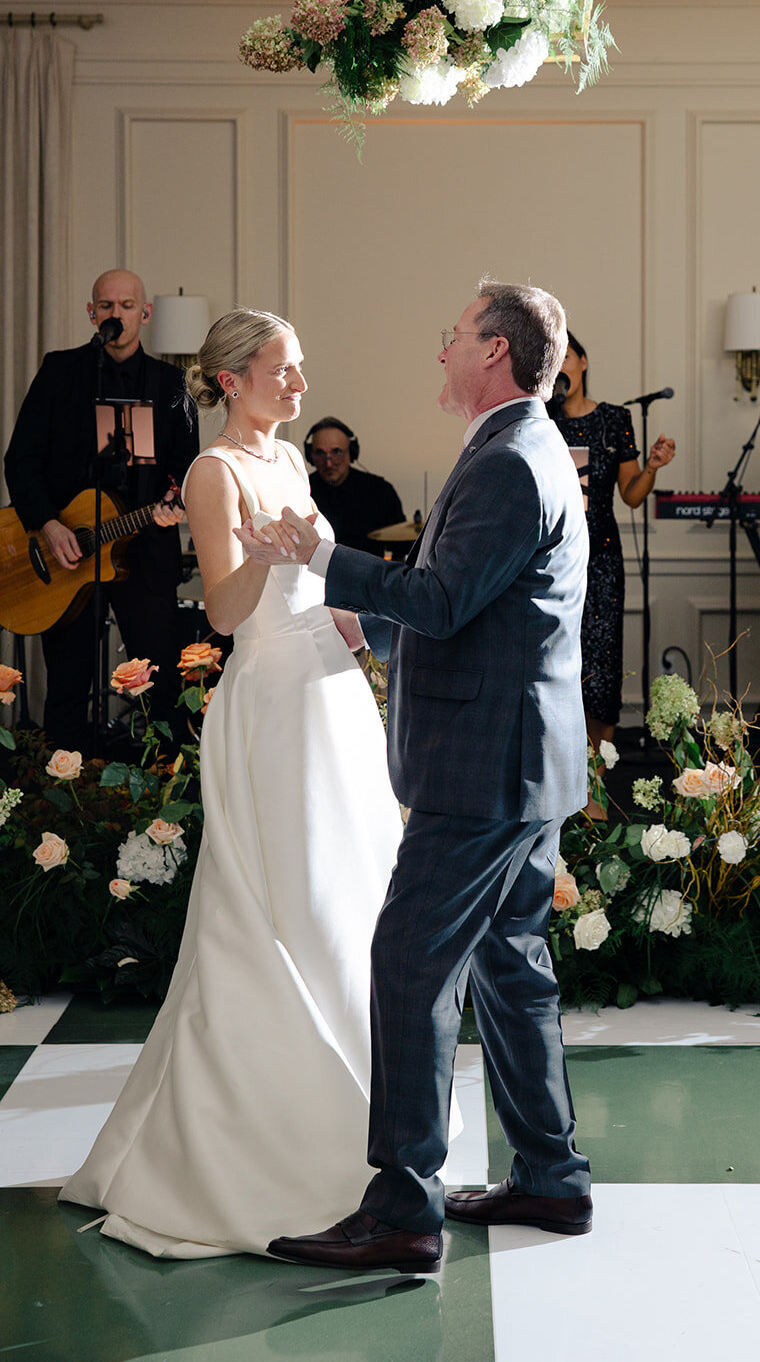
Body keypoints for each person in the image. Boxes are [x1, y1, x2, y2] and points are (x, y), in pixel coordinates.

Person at [239, 279, 593, 1274]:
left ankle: (402, 1206)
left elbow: (441, 601)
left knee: (408, 963)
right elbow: (476, 601)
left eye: (452, 336)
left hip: (483, 767)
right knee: (511, 965)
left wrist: (323, 554)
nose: (441, 350)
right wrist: (359, 620)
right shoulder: (518, 448)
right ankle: (551, 1177)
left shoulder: (511, 460)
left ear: (493, 351)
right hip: (520, 756)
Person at [59, 309, 402, 1257]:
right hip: (272, 703)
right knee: (279, 903)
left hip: (332, 698)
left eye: (300, 370)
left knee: (346, 898)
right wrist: (267, 550)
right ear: (235, 378)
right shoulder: (214, 475)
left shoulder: (291, 465)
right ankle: (260, 1143)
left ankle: (365, 1122)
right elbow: (221, 607)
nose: (300, 386)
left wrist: (355, 622)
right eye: (284, 371)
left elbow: (320, 581)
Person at [3, 269, 199, 748]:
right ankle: (63, 800)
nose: (116, 315)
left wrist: (173, 500)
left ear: (144, 314)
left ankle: (162, 797)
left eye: (127, 306)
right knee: (68, 687)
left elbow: (186, 467)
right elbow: (21, 459)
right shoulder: (60, 372)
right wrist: (48, 524)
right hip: (65, 558)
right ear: (92, 314)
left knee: (159, 683)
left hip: (145, 554)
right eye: (106, 306)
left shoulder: (172, 383)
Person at [553, 333, 675, 766]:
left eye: (565, 354)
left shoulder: (613, 419)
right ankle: (559, 776)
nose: (560, 363)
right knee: (553, 664)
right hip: (547, 561)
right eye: (551, 357)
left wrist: (653, 468)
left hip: (600, 561)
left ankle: (596, 784)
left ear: (583, 361)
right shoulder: (536, 421)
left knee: (601, 667)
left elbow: (632, 495)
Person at [304, 416, 406, 558]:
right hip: (317, 577)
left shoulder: (380, 491)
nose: (328, 463)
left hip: (368, 576)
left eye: (336, 452)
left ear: (351, 452)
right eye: (320, 453)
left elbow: (401, 546)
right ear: (310, 456)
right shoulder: (302, 490)